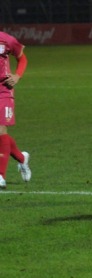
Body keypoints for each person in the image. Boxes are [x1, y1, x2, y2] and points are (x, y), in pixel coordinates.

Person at [0, 31, 31, 189]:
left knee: (1, 129)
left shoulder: (6, 40)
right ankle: (22, 158)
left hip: (4, 90)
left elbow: (22, 57)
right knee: (1, 135)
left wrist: (18, 76)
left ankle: (1, 176)